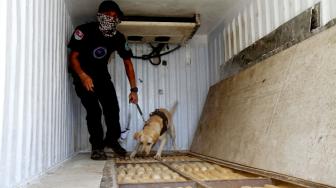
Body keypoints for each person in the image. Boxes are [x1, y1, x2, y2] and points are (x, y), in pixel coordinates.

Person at [67, 0, 138, 160]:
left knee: (113, 109)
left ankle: (112, 141)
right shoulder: (84, 31)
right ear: (100, 15)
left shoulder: (118, 38)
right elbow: (73, 57)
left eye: (114, 16)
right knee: (94, 111)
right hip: (82, 76)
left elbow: (128, 63)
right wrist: (83, 76)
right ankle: (97, 147)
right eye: (107, 15)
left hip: (102, 76)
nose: (111, 18)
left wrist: (134, 90)